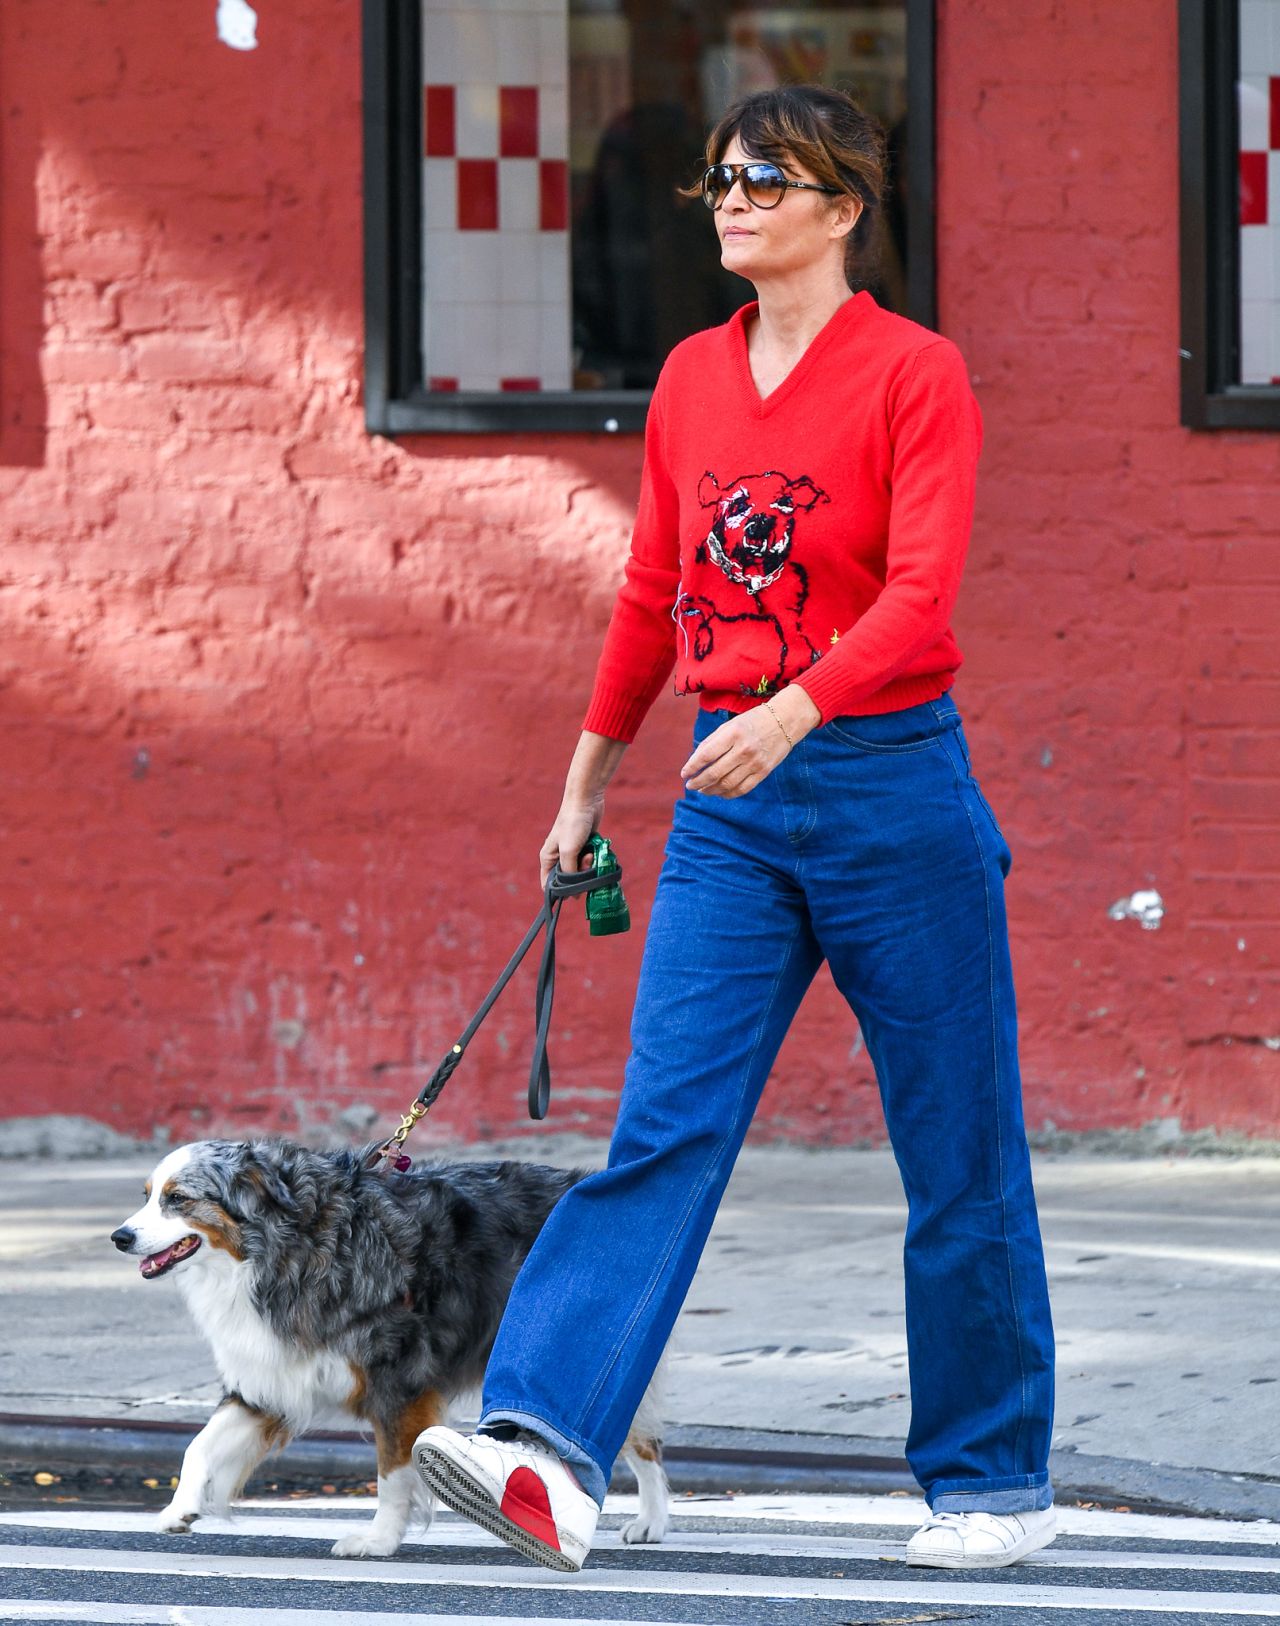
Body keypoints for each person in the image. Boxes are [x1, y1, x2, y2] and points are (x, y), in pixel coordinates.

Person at [413, 81, 1058, 1574]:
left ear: (844, 208)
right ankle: (542, 1449)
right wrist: (583, 787)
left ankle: (992, 1481)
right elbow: (653, 591)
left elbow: (920, 598)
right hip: (729, 802)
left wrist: (801, 709)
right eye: (718, 179)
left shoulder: (918, 373)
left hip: (891, 781)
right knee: (665, 1128)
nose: (733, 198)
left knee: (957, 1150)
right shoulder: (697, 377)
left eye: (767, 178)